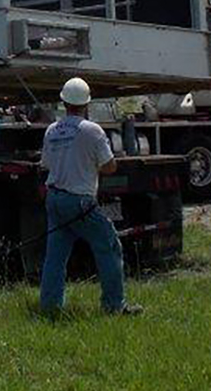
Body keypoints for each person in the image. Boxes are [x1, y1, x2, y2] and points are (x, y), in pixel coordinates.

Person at [38, 77, 141, 317]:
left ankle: (50, 307)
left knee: (55, 257)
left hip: (55, 198)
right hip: (80, 201)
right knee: (109, 247)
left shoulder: (52, 131)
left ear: (64, 102)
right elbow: (109, 167)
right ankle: (114, 305)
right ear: (87, 104)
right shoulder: (92, 130)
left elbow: (46, 164)